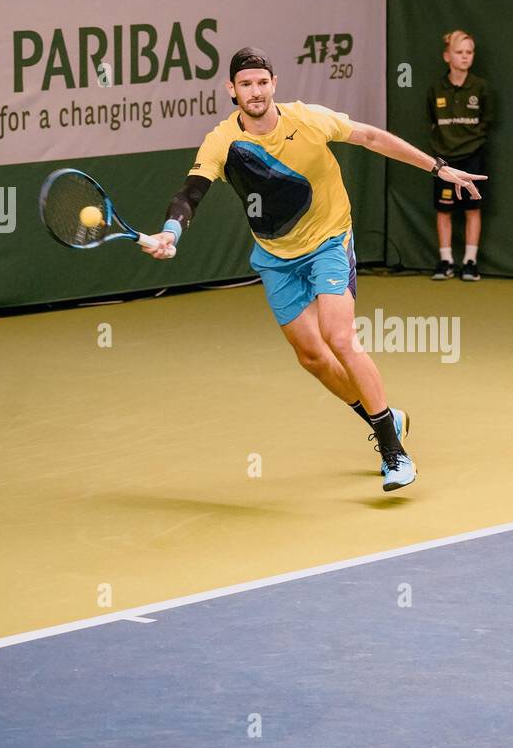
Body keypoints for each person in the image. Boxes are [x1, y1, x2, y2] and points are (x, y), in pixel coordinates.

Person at [141, 47, 485, 493]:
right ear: (231, 90)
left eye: (262, 82)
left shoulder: (308, 118)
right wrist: (172, 232)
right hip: (275, 255)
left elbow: (372, 138)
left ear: (274, 84)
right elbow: (191, 193)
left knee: (339, 337)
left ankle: (393, 451)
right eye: (246, 84)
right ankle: (385, 415)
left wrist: (436, 167)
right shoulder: (223, 141)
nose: (255, 91)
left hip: (329, 240)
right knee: (312, 357)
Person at [427, 31, 494, 282]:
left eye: (469, 53)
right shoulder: (436, 89)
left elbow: (487, 121)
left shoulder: (481, 87)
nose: (465, 57)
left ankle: (470, 262)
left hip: (472, 156)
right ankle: (445, 261)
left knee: (472, 208)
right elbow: (432, 120)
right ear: (447, 56)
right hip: (443, 160)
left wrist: (471, 142)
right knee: (443, 210)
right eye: (459, 52)